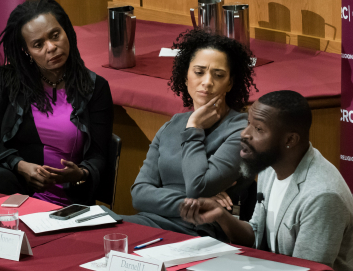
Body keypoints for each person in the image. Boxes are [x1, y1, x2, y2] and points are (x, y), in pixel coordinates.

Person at [180, 91, 353, 270]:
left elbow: (307, 269)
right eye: (248, 123)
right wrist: (221, 215)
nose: (245, 134)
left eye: (259, 129)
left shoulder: (322, 197)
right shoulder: (269, 167)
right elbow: (256, 234)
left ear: (290, 140)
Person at [0, 0, 114, 206]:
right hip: (17, 195)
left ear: (66, 31)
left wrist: (80, 173)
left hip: (70, 203)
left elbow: (99, 157)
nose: (51, 47)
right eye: (38, 45)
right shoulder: (8, 80)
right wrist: (20, 165)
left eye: (55, 35)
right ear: (27, 51)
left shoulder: (95, 88)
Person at [123, 29, 256, 238]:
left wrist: (194, 127)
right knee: (98, 228)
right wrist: (192, 203)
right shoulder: (172, 126)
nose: (207, 81)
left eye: (218, 75)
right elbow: (139, 195)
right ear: (186, 77)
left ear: (230, 83)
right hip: (150, 221)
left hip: (198, 231)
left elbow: (198, 187)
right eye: (199, 72)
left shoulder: (240, 130)